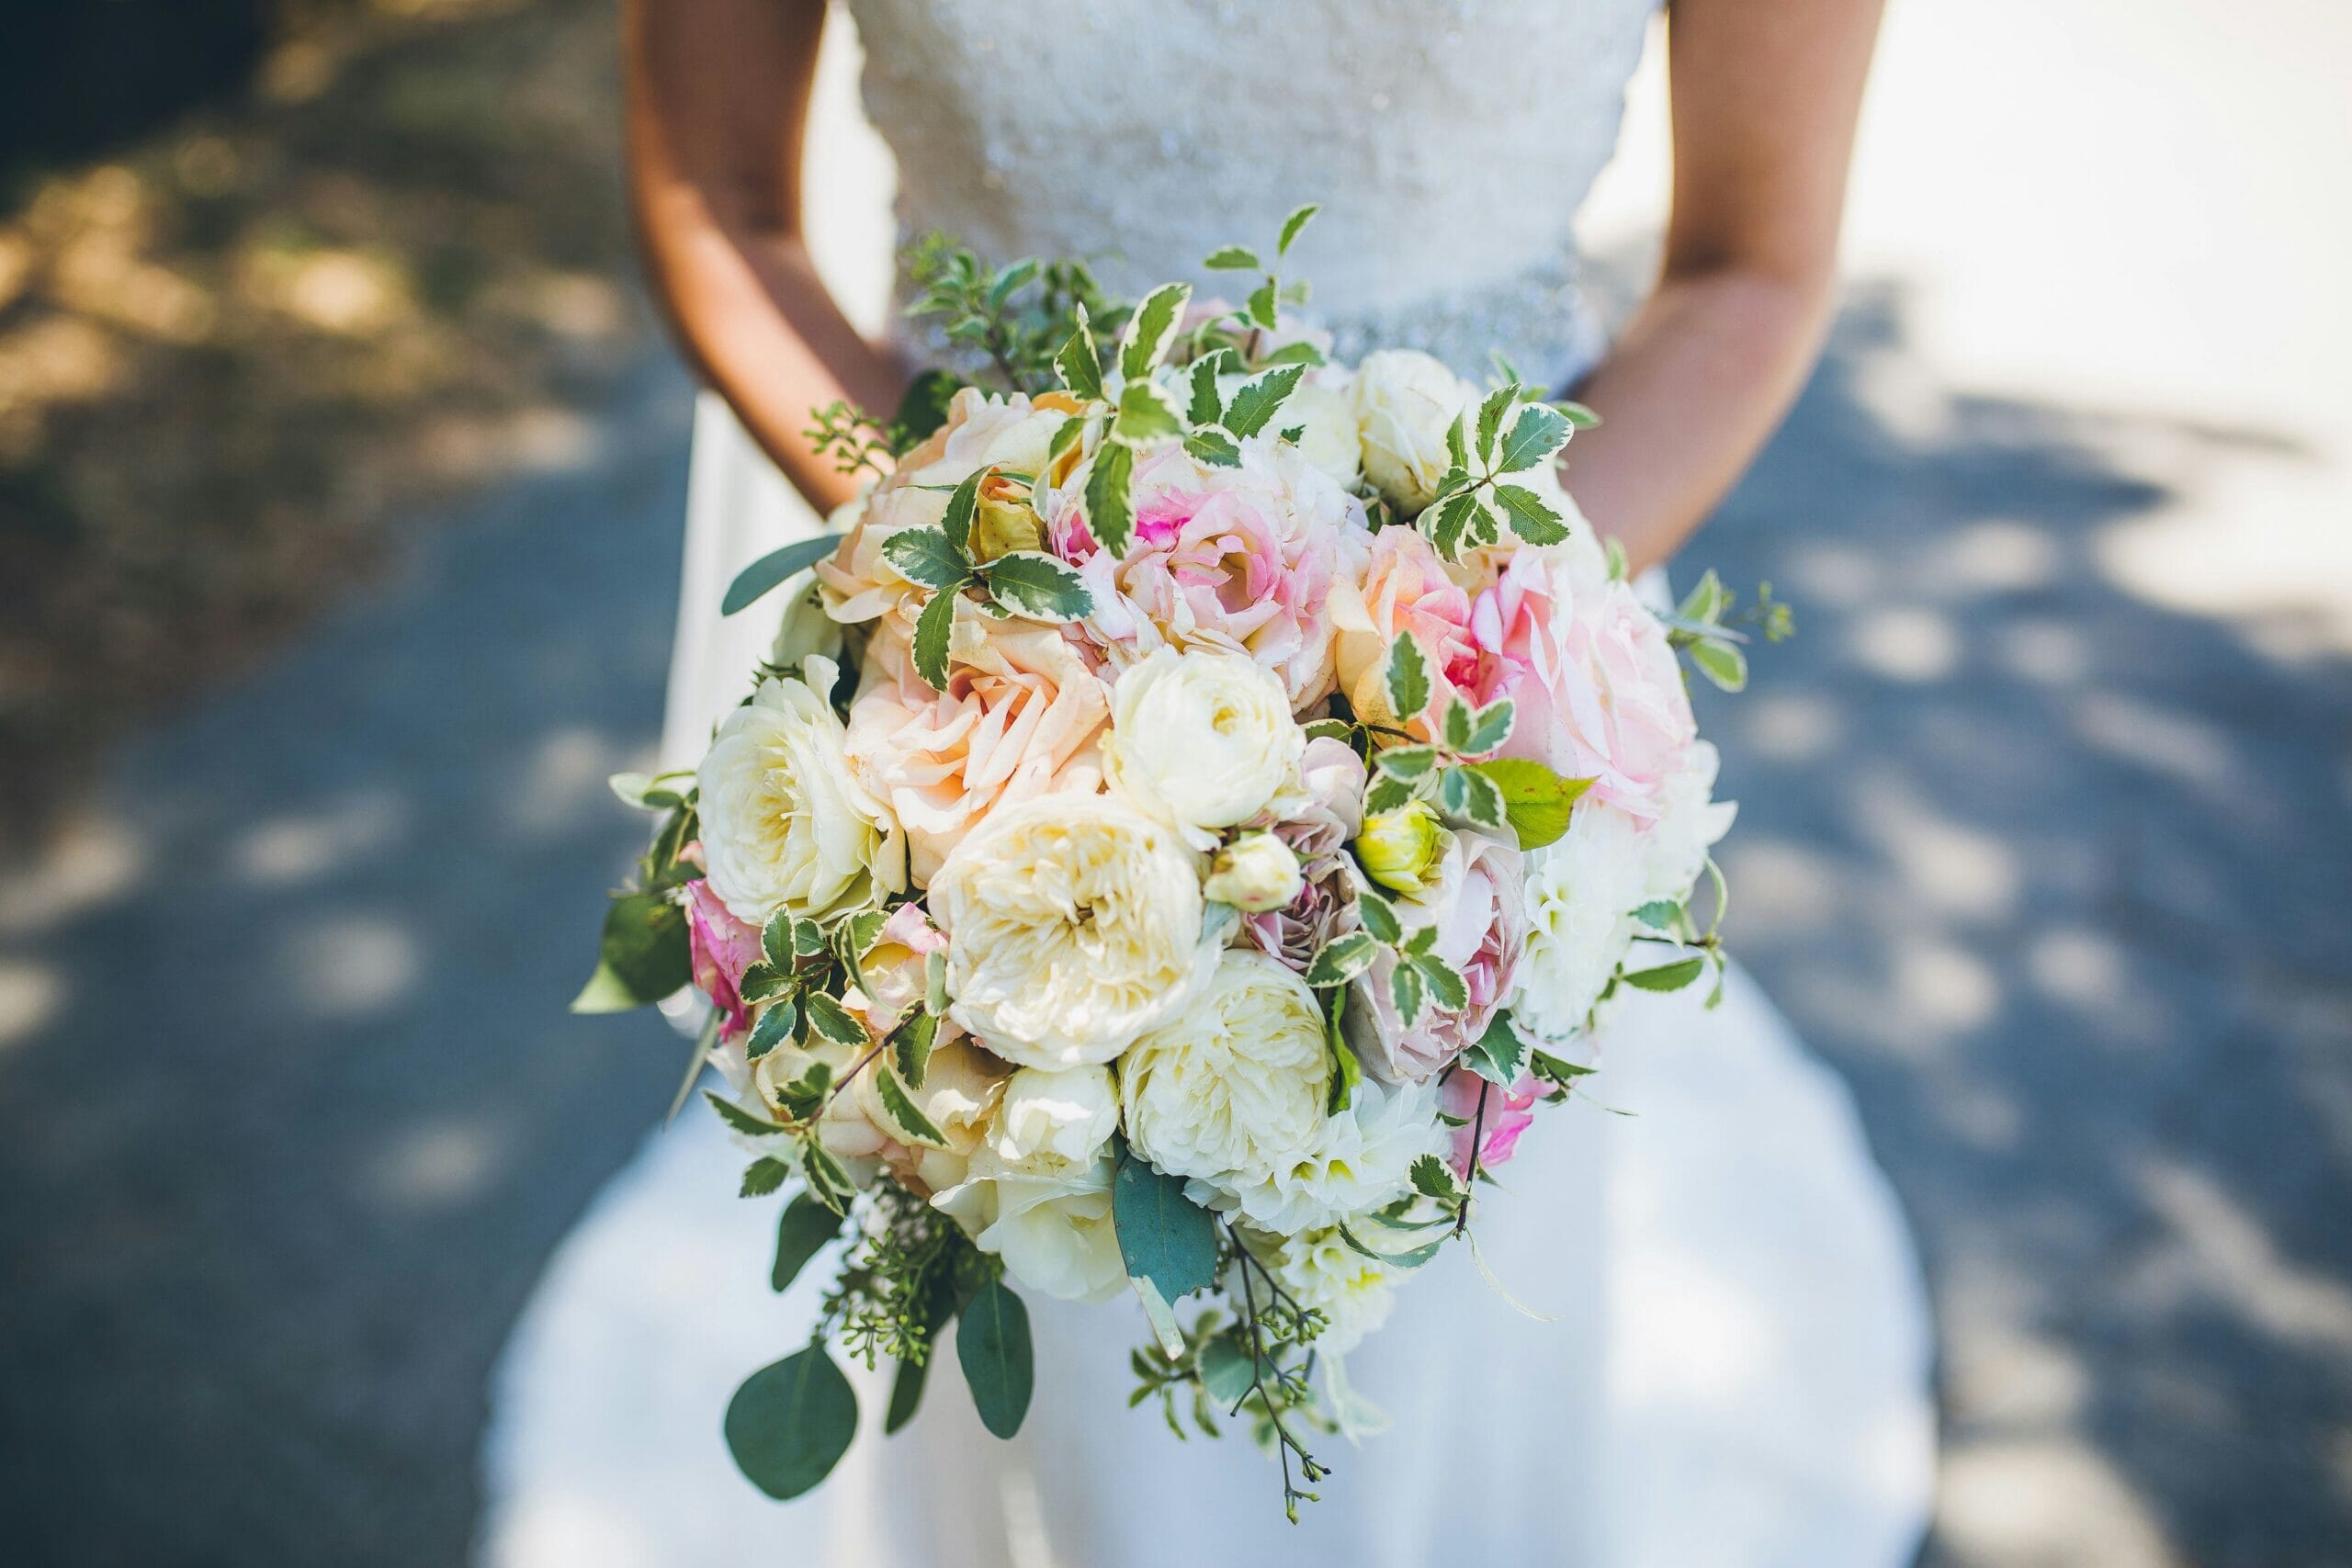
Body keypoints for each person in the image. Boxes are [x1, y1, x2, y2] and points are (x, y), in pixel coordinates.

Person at [480, 3, 1934, 1563]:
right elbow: (720, 206)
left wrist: (1439, 674)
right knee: (1033, 1226)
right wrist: (963, 575)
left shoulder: (1482, 698)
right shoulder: (963, 617)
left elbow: (1749, 269)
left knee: (1438, 1282)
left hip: (1485, 714)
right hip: (972, 681)